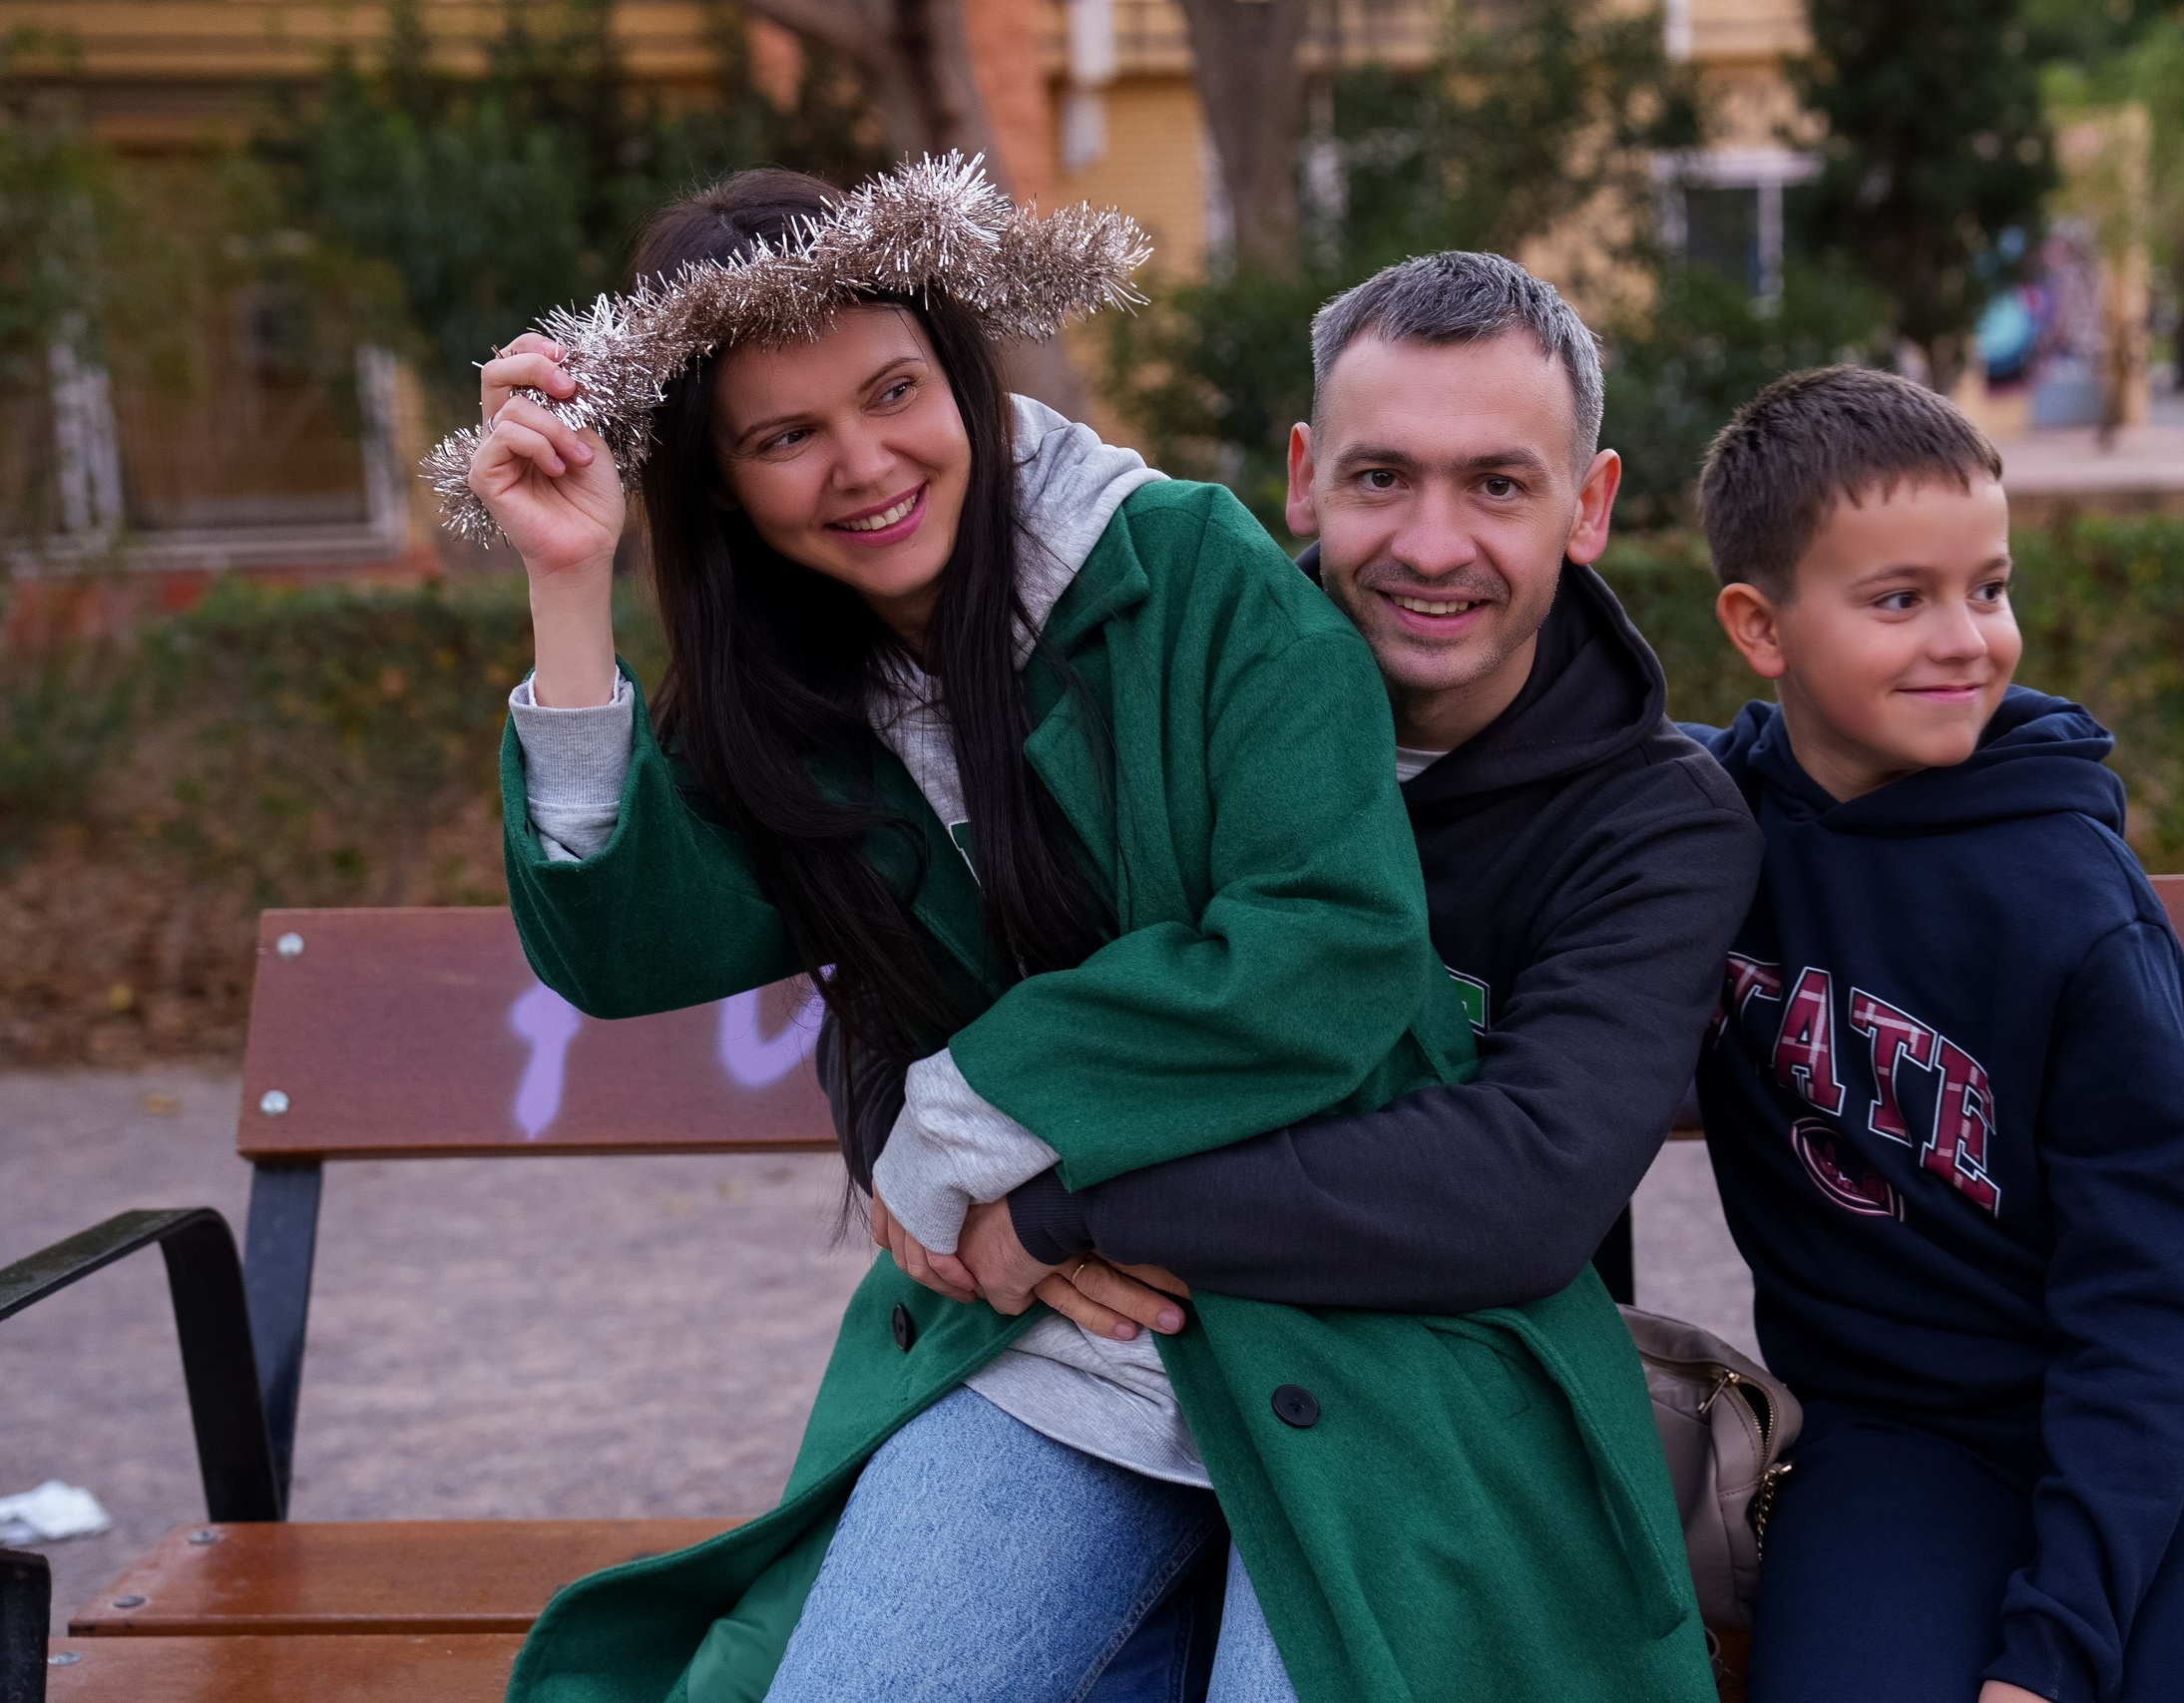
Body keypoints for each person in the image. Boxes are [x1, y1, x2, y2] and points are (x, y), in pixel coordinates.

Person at [472, 165, 1712, 1703]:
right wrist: (571, 586)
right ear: (723, 483)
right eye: (786, 436)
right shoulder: (811, 679)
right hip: (1063, 1345)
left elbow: (1332, 947)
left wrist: (991, 1144)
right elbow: (635, 948)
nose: (863, 463)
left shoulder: (1192, 579)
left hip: (1384, 1356)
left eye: (894, 391)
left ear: (963, 378)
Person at [1677, 364, 2184, 1703]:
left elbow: (2155, 1286)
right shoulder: (1701, 828)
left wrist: (2054, 1646)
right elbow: (1516, 778)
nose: (1967, 637)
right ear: (1759, 626)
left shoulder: (2072, 899)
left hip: (2177, 1412)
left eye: (1989, 587)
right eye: (1900, 597)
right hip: (1901, 1433)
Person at [951, 250, 1761, 1351]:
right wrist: (908, 1156)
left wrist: (1072, 1209)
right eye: (1380, 478)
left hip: (1444, 1388)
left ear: (1589, 504)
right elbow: (911, 937)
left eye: (1498, 485)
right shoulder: (1143, 708)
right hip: (1119, 1361)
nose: (1432, 548)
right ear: (1304, 475)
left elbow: (1521, 1191)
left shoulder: (1656, 829)